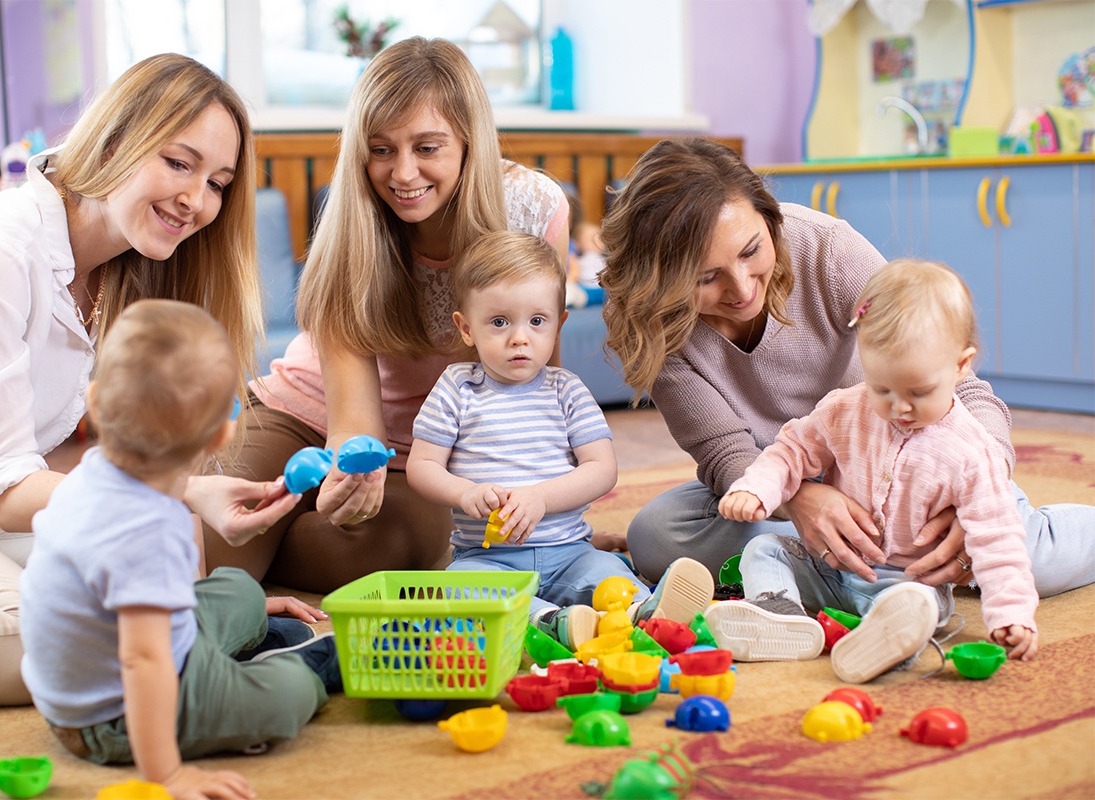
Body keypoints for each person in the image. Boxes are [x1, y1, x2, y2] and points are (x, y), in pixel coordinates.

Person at [0, 53, 305, 706]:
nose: (197, 201)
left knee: (121, 623)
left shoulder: (117, 271)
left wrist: (186, 607)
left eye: (218, 182)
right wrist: (162, 498)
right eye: (179, 162)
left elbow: (54, 456)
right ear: (116, 137)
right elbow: (6, 489)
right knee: (37, 640)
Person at [598, 137, 1095, 599]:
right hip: (784, 476)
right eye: (706, 278)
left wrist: (981, 490)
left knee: (1015, 555)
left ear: (770, 220)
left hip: (915, 463)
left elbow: (964, 390)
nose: (743, 288)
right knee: (656, 536)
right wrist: (802, 500)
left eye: (752, 251)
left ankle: (855, 566)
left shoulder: (827, 249)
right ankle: (871, 564)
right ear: (659, 279)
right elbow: (725, 454)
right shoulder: (652, 320)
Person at [205, 37, 570, 594]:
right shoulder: (354, 221)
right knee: (215, 537)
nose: (403, 174)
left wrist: (549, 514)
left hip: (432, 448)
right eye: (381, 149)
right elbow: (354, 423)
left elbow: (537, 381)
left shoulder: (532, 208)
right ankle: (247, 536)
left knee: (372, 551)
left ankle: (266, 544)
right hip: (305, 408)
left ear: (470, 141)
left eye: (427, 148)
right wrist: (353, 469)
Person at [21, 300, 340, 800]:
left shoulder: (89, 472)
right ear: (220, 435)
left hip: (100, 674)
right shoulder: (149, 532)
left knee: (238, 588)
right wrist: (166, 775)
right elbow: (144, 660)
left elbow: (147, 599)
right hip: (114, 713)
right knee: (289, 696)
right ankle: (307, 661)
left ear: (96, 403)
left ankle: (250, 635)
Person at [707, 260, 1038, 683]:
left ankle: (884, 640)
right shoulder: (845, 409)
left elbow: (998, 541)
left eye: (919, 392)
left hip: (904, 583)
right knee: (764, 550)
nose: (899, 408)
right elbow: (790, 450)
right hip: (827, 567)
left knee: (920, 607)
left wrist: (1011, 615)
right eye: (882, 389)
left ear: (961, 365)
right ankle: (779, 613)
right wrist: (757, 488)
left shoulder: (973, 453)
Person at [406, 231, 713, 648]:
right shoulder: (456, 388)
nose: (520, 338)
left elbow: (602, 469)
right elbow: (421, 467)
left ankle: (646, 614)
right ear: (466, 328)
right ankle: (551, 622)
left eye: (537, 321)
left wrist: (541, 499)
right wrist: (464, 493)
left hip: (569, 552)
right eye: (499, 322)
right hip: (486, 558)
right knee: (459, 589)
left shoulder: (565, 389)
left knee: (609, 574)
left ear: (559, 323)